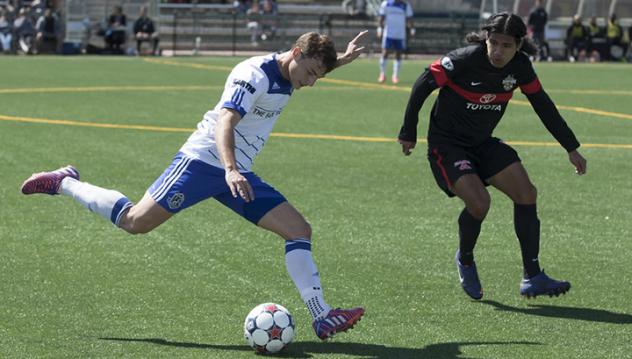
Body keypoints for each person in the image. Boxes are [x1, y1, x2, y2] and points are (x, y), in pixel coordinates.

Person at [21, 30, 368, 340]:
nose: (310, 83)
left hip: (237, 172)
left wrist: (339, 61)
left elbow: (310, 68)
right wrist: (230, 169)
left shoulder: (294, 71)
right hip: (204, 162)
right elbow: (225, 121)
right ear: (295, 52)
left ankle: (321, 316)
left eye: (318, 77)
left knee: (298, 230)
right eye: (310, 74)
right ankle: (65, 183)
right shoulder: (253, 75)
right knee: (135, 222)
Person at [397, 13, 587, 300]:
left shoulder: (521, 68)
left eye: (506, 45)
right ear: (486, 38)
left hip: (482, 144)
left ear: (519, 45)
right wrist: (408, 131)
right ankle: (466, 259)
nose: (497, 51)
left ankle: (532, 276)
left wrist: (570, 147)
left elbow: (543, 105)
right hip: (447, 146)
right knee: (480, 203)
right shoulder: (463, 59)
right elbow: (423, 83)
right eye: (493, 42)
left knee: (526, 193)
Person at [376, 0, 413, 84]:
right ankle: (382, 74)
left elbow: (410, 18)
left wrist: (412, 30)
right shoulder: (386, 3)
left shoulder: (405, 5)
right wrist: (379, 29)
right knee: (385, 52)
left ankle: (395, 75)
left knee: (398, 54)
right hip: (388, 33)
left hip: (400, 34)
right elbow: (381, 17)